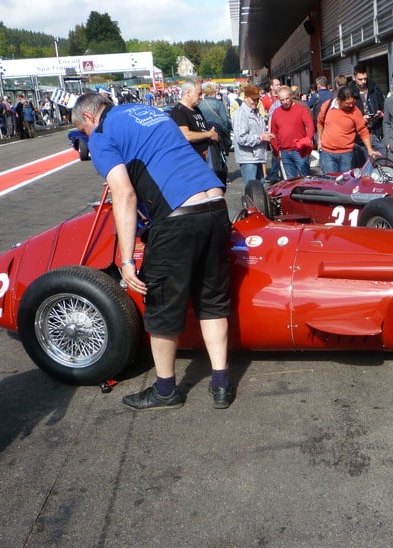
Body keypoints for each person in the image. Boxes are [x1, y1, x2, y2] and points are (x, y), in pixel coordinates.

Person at [72, 91, 235, 411]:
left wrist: (127, 259)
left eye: (83, 131)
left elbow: (124, 195)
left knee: (160, 307)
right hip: (216, 208)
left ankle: (165, 390)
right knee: (212, 301)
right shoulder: (146, 111)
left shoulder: (103, 134)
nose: (86, 139)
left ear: (90, 119)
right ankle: (221, 384)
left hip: (178, 218)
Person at [170, 79, 226, 183]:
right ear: (188, 93)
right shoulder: (179, 111)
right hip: (194, 164)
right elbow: (186, 135)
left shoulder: (196, 109)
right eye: (199, 94)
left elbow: (202, 128)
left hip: (207, 160)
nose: (201, 97)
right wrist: (209, 134)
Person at [317, 85, 381, 174]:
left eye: (352, 102)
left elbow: (363, 131)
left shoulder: (355, 111)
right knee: (330, 182)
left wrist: (370, 149)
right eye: (347, 103)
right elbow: (320, 123)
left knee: (345, 183)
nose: (351, 105)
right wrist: (319, 141)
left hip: (346, 154)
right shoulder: (327, 106)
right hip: (327, 153)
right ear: (339, 100)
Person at [269, 85, 315, 177]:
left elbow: (310, 126)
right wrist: (277, 151)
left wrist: (307, 139)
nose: (285, 102)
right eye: (282, 100)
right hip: (285, 151)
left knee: (304, 178)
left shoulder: (301, 109)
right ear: (279, 100)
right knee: (290, 181)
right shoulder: (276, 112)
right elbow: (274, 133)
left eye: (287, 99)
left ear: (291, 96)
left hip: (299, 150)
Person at [233, 84, 273, 186]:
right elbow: (241, 138)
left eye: (257, 99)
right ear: (246, 98)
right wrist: (260, 137)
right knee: (252, 190)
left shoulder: (256, 111)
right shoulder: (241, 114)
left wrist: (266, 135)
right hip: (248, 158)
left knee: (260, 188)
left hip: (257, 156)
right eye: (253, 99)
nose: (255, 102)